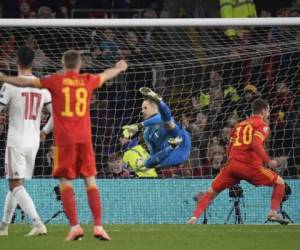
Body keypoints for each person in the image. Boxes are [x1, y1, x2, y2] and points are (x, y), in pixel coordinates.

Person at [0, 50, 128, 241]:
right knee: (89, 181)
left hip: (45, 140)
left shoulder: (52, 81)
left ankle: (56, 225)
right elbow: (105, 74)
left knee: (31, 183)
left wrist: (3, 77)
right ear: (79, 64)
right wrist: (119, 67)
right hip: (64, 139)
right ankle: (98, 226)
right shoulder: (84, 80)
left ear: (62, 62)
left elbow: (22, 84)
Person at [187, 99, 289, 225]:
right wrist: (268, 161)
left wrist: (228, 164)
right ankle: (273, 213)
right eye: (268, 110)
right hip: (249, 166)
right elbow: (256, 144)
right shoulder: (262, 125)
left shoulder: (239, 125)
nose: (268, 114)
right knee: (279, 182)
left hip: (232, 165)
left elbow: (229, 148)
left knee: (210, 192)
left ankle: (194, 218)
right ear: (263, 111)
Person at [0, 46, 52, 236]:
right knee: (15, 185)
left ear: (17, 62)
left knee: (15, 185)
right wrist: (44, 130)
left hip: (16, 140)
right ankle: (4, 226)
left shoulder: (11, 85)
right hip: (34, 141)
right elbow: (55, 115)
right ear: (32, 62)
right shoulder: (42, 85)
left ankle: (37, 223)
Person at [122, 87, 191, 169]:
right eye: (142, 109)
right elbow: (154, 154)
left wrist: (137, 126)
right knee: (151, 163)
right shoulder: (146, 133)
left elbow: (160, 118)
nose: (142, 111)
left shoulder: (159, 118)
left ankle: (160, 102)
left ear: (155, 108)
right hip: (170, 153)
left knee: (168, 123)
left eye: (145, 108)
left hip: (182, 144)